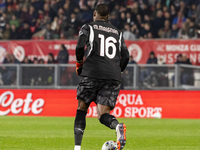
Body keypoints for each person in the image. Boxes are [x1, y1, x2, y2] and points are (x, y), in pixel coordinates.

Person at [74, 4, 129, 150]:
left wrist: (79, 64)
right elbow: (126, 56)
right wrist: (119, 71)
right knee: (103, 114)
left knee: (82, 108)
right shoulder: (118, 32)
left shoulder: (88, 27)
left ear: (94, 14)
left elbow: (80, 47)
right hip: (112, 77)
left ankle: (77, 148)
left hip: (92, 72)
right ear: (108, 16)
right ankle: (117, 126)